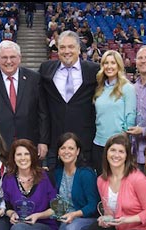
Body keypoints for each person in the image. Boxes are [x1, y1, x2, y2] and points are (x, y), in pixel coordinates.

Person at [0, 40, 48, 160]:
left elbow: (42, 113)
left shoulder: (34, 79)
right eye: (4, 57)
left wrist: (43, 141)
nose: (8, 61)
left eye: (12, 57)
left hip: (29, 146)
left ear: (19, 58)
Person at [39, 30, 100, 168]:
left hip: (85, 144)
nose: (67, 51)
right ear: (57, 50)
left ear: (79, 49)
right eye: (62, 47)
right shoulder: (46, 69)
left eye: (71, 47)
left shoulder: (94, 70)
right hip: (56, 144)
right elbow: (42, 108)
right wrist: (43, 139)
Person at [2, 139, 58, 230]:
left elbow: (56, 209)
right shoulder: (8, 178)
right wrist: (12, 214)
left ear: (33, 156)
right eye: (18, 154)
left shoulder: (46, 176)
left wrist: (38, 216)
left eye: (26, 154)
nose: (23, 158)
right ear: (13, 158)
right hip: (19, 229)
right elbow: (7, 207)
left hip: (43, 227)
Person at [50, 132, 99, 230]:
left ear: (78, 151)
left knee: (73, 229)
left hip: (86, 218)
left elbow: (93, 204)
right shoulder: (58, 172)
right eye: (63, 148)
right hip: (68, 220)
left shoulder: (86, 173)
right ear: (58, 151)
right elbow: (58, 201)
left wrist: (74, 214)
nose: (66, 152)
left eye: (71, 148)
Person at [91, 50, 136, 175]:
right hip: (99, 143)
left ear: (119, 65)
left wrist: (122, 141)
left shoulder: (127, 88)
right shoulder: (100, 88)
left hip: (117, 145)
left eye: (113, 63)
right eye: (106, 63)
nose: (109, 66)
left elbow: (130, 117)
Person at [126, 45, 146, 171]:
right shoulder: (133, 87)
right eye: (140, 58)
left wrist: (144, 131)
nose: (143, 60)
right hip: (133, 153)